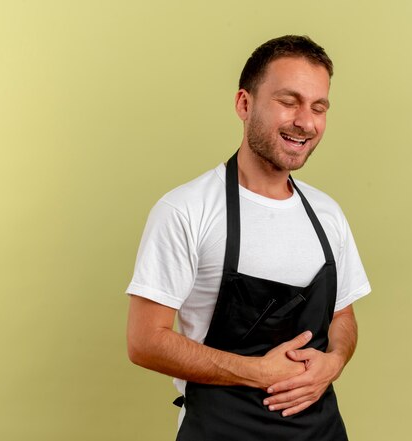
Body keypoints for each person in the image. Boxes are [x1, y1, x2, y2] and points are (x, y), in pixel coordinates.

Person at [126, 35, 371, 440]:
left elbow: (343, 315)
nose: (305, 121)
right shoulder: (187, 210)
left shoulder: (327, 214)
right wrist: (257, 372)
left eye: (318, 107)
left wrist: (335, 361)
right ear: (244, 104)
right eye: (288, 101)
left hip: (320, 430)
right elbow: (145, 342)